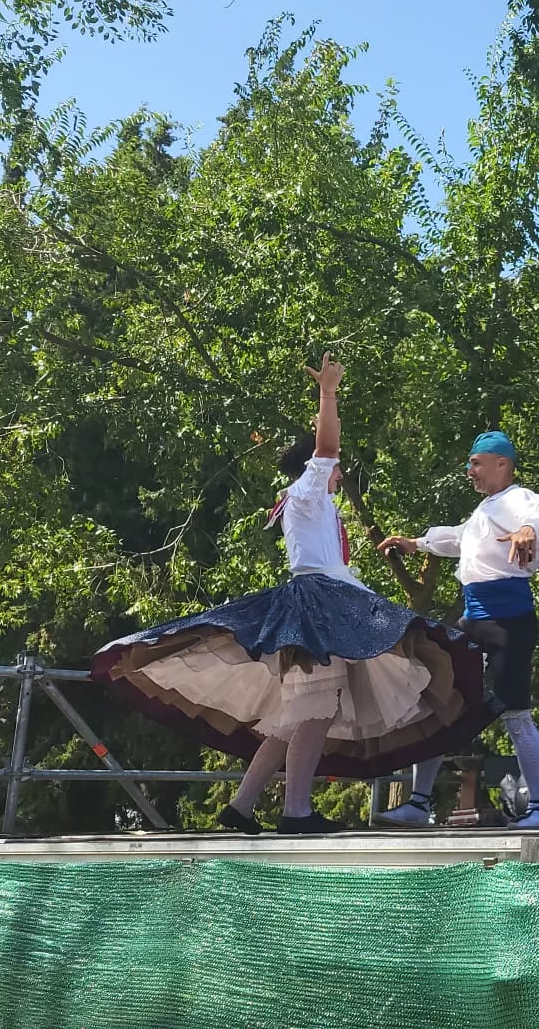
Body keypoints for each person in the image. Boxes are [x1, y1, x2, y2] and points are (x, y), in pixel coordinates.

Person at [93, 356, 485, 835]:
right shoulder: (308, 491)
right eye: (333, 468)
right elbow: (327, 447)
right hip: (318, 607)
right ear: (314, 467)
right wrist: (328, 393)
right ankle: (296, 811)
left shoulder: (308, 500)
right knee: (316, 711)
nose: (337, 472)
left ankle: (242, 806)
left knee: (296, 715)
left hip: (321, 603)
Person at [372, 432, 539, 830]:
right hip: (473, 622)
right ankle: (419, 804)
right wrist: (416, 543)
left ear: (501, 464)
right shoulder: (486, 510)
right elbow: (458, 538)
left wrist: (528, 530)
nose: (469, 470)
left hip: (507, 624)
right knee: (439, 704)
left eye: (476, 462)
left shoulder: (515, 499)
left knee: (515, 714)